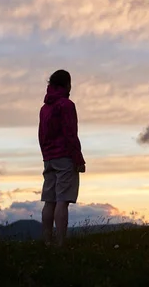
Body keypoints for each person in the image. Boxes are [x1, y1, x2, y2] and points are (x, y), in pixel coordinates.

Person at [38, 69, 86, 246]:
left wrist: (46, 156)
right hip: (64, 158)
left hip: (49, 158)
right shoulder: (66, 105)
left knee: (49, 201)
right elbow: (70, 134)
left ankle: (47, 242)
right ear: (66, 84)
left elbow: (41, 135)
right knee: (62, 201)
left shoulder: (44, 108)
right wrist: (78, 160)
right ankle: (60, 243)